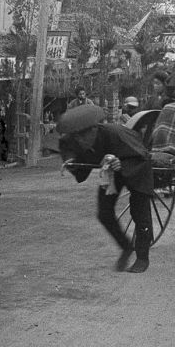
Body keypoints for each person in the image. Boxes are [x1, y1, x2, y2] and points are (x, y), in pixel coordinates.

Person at [57, 102, 157, 274]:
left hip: (134, 164)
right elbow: (68, 150)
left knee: (140, 210)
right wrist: (71, 161)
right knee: (104, 213)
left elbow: (142, 155)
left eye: (83, 136)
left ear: (95, 129)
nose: (80, 141)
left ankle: (142, 257)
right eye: (77, 137)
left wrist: (122, 164)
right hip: (110, 173)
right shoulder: (72, 139)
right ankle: (126, 247)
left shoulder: (115, 133)